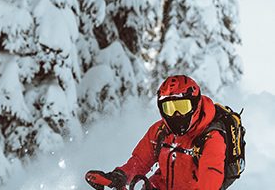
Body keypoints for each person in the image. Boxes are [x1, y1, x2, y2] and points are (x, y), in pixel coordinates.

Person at [86, 75, 226, 190]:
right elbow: (140, 161)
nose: (176, 115)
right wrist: (121, 175)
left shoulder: (211, 138)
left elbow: (210, 179)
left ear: (196, 104)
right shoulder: (160, 131)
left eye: (182, 107)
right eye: (169, 108)